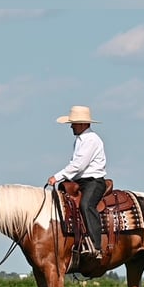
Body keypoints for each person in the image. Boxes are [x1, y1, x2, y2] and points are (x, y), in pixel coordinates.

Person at [47, 105, 107, 259]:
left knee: (86, 205)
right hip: (80, 181)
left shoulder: (91, 140)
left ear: (82, 124)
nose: (71, 126)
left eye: (73, 123)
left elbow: (78, 165)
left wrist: (57, 177)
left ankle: (96, 245)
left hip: (93, 182)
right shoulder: (81, 140)